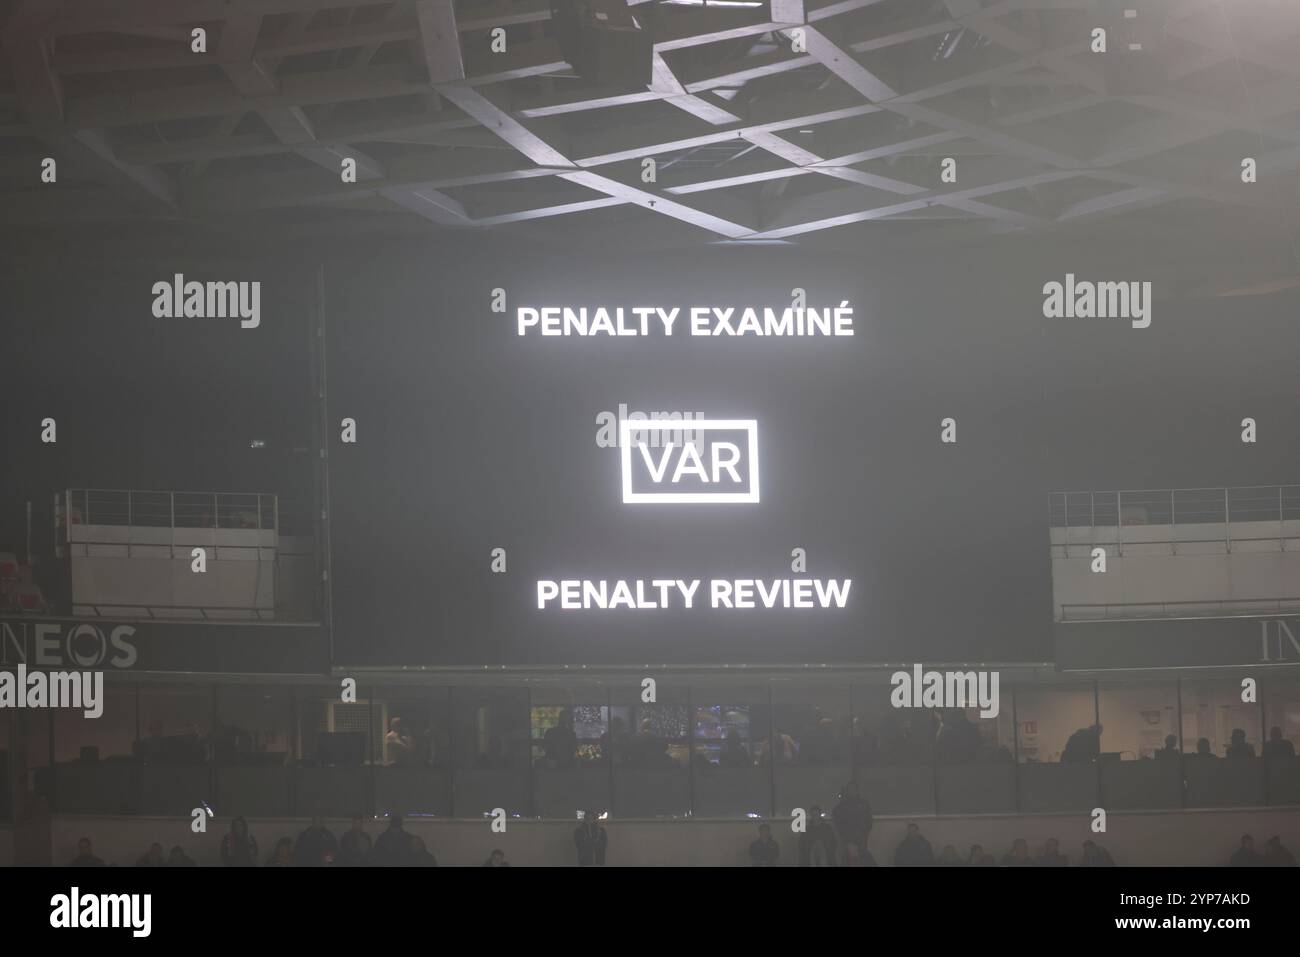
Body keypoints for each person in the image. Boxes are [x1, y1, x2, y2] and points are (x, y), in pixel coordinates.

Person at [831, 780, 872, 865]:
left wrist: (861, 835)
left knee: (862, 861)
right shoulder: (841, 806)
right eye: (849, 789)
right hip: (846, 841)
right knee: (847, 861)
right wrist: (846, 839)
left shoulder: (864, 805)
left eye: (853, 789)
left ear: (857, 790)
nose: (851, 791)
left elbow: (868, 823)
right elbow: (837, 822)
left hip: (861, 840)